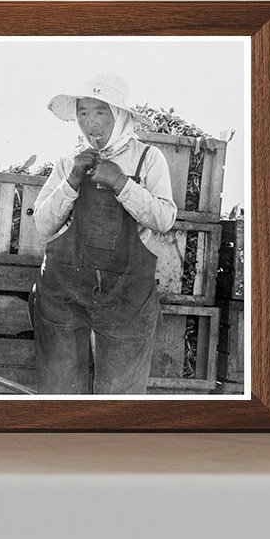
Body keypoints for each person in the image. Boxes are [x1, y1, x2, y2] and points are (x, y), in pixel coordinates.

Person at [31, 72, 177, 395]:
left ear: (120, 115)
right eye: (83, 112)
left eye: (100, 112)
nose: (90, 122)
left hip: (127, 298)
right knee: (61, 392)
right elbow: (42, 225)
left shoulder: (147, 159)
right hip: (66, 295)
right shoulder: (69, 161)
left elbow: (165, 218)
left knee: (118, 400)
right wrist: (70, 181)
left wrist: (122, 183)